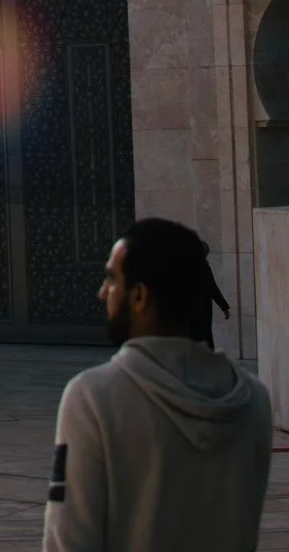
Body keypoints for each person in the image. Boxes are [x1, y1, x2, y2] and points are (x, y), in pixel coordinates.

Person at [42, 218, 272, 552]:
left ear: (139, 295)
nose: (102, 292)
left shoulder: (93, 398)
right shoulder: (254, 399)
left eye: (110, 278)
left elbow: (69, 540)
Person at [192, 238, 232, 351]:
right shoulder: (203, 268)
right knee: (205, 336)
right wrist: (224, 308)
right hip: (202, 309)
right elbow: (213, 289)